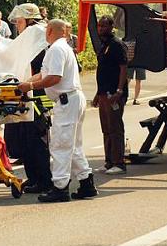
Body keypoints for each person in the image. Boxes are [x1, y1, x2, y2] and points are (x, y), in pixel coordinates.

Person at [18, 19, 95, 202]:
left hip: (67, 100)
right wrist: (25, 81)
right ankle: (86, 182)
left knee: (60, 145)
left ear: (50, 30)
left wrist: (29, 85)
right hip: (72, 99)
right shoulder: (62, 47)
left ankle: (60, 187)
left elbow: (54, 77)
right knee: (73, 145)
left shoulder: (56, 49)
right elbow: (45, 74)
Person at [4, 3, 53, 194]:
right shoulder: (37, 34)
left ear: (28, 19)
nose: (17, 25)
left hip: (36, 96)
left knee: (35, 141)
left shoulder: (35, 34)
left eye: (19, 21)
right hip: (32, 94)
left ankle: (43, 180)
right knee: (28, 141)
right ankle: (36, 179)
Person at [92, 15, 128, 174]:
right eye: (99, 26)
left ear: (111, 27)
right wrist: (97, 94)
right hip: (103, 93)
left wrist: (119, 91)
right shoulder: (103, 45)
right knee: (106, 128)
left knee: (115, 128)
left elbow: (123, 68)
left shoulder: (117, 45)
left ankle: (119, 163)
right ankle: (109, 161)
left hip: (114, 94)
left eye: (104, 26)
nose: (101, 29)